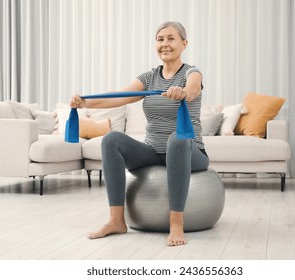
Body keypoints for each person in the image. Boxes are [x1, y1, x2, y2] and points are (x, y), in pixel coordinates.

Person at [70, 21, 209, 246]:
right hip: (153, 151)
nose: (165, 44)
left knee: (177, 139)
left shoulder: (192, 72)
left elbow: (193, 89)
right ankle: (116, 221)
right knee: (112, 139)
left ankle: (176, 223)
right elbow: (119, 96)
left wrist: (182, 92)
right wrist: (84, 102)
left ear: (184, 44)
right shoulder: (149, 78)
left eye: (171, 38)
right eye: (160, 39)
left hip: (190, 151)